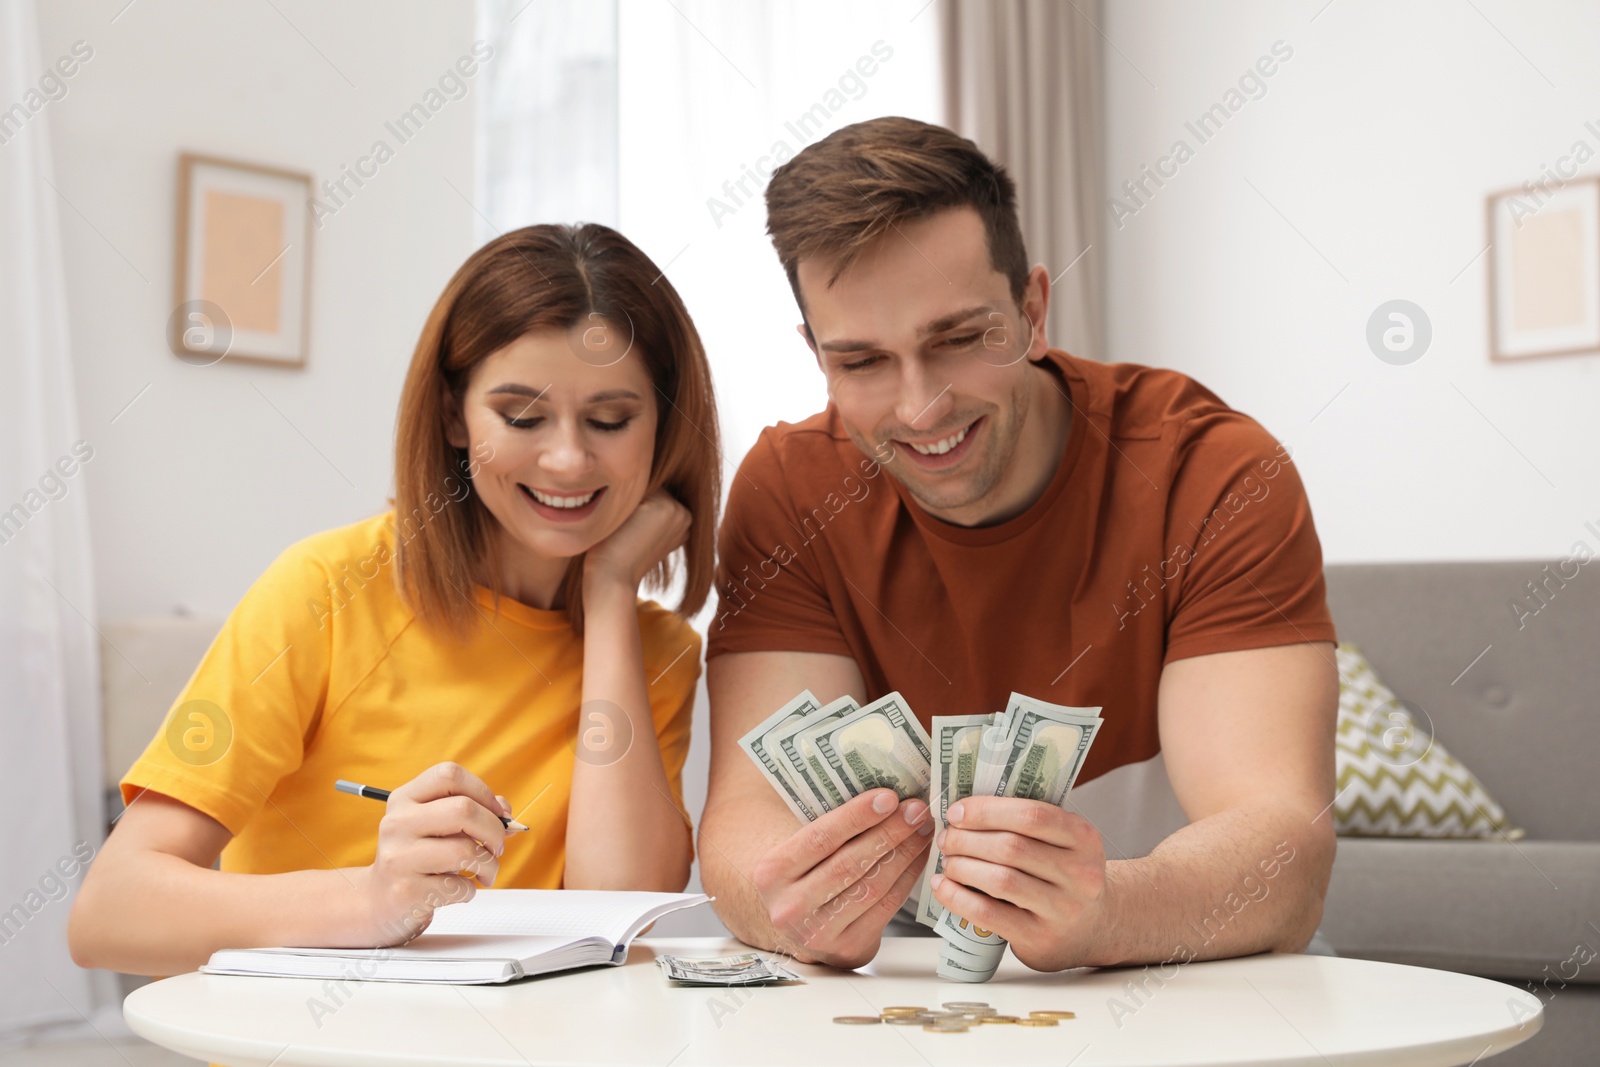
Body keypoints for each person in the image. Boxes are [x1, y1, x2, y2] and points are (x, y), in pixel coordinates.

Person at [698, 117, 1338, 972]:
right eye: (862, 362)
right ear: (816, 354)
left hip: (1185, 961)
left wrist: (1110, 911)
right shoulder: (789, 491)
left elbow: (1283, 847)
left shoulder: (1214, 472)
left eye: (959, 340)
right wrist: (787, 908)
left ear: (1033, 311)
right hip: (894, 974)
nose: (920, 408)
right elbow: (748, 816)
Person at [69, 223, 721, 976]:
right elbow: (111, 912)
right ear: (453, 414)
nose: (568, 457)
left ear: (663, 425)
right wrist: (372, 900)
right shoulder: (323, 591)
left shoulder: (654, 649)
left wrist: (610, 592)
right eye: (521, 416)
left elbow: (615, 907)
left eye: (610, 420)